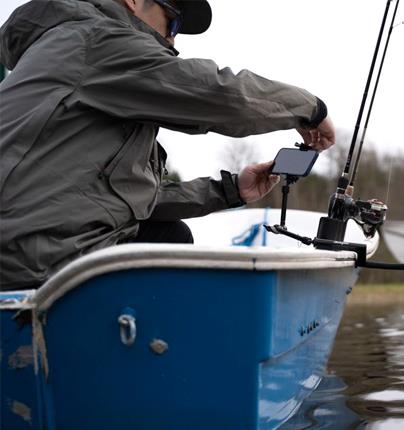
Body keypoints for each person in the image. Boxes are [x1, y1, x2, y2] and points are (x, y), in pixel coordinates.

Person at [0, 0, 336, 291]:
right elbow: (218, 96)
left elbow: (130, 200)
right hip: (29, 258)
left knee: (169, 234)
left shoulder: (67, 53)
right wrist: (308, 108)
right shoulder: (96, 41)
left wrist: (230, 190)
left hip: (25, 245)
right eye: (172, 20)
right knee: (171, 244)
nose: (173, 39)